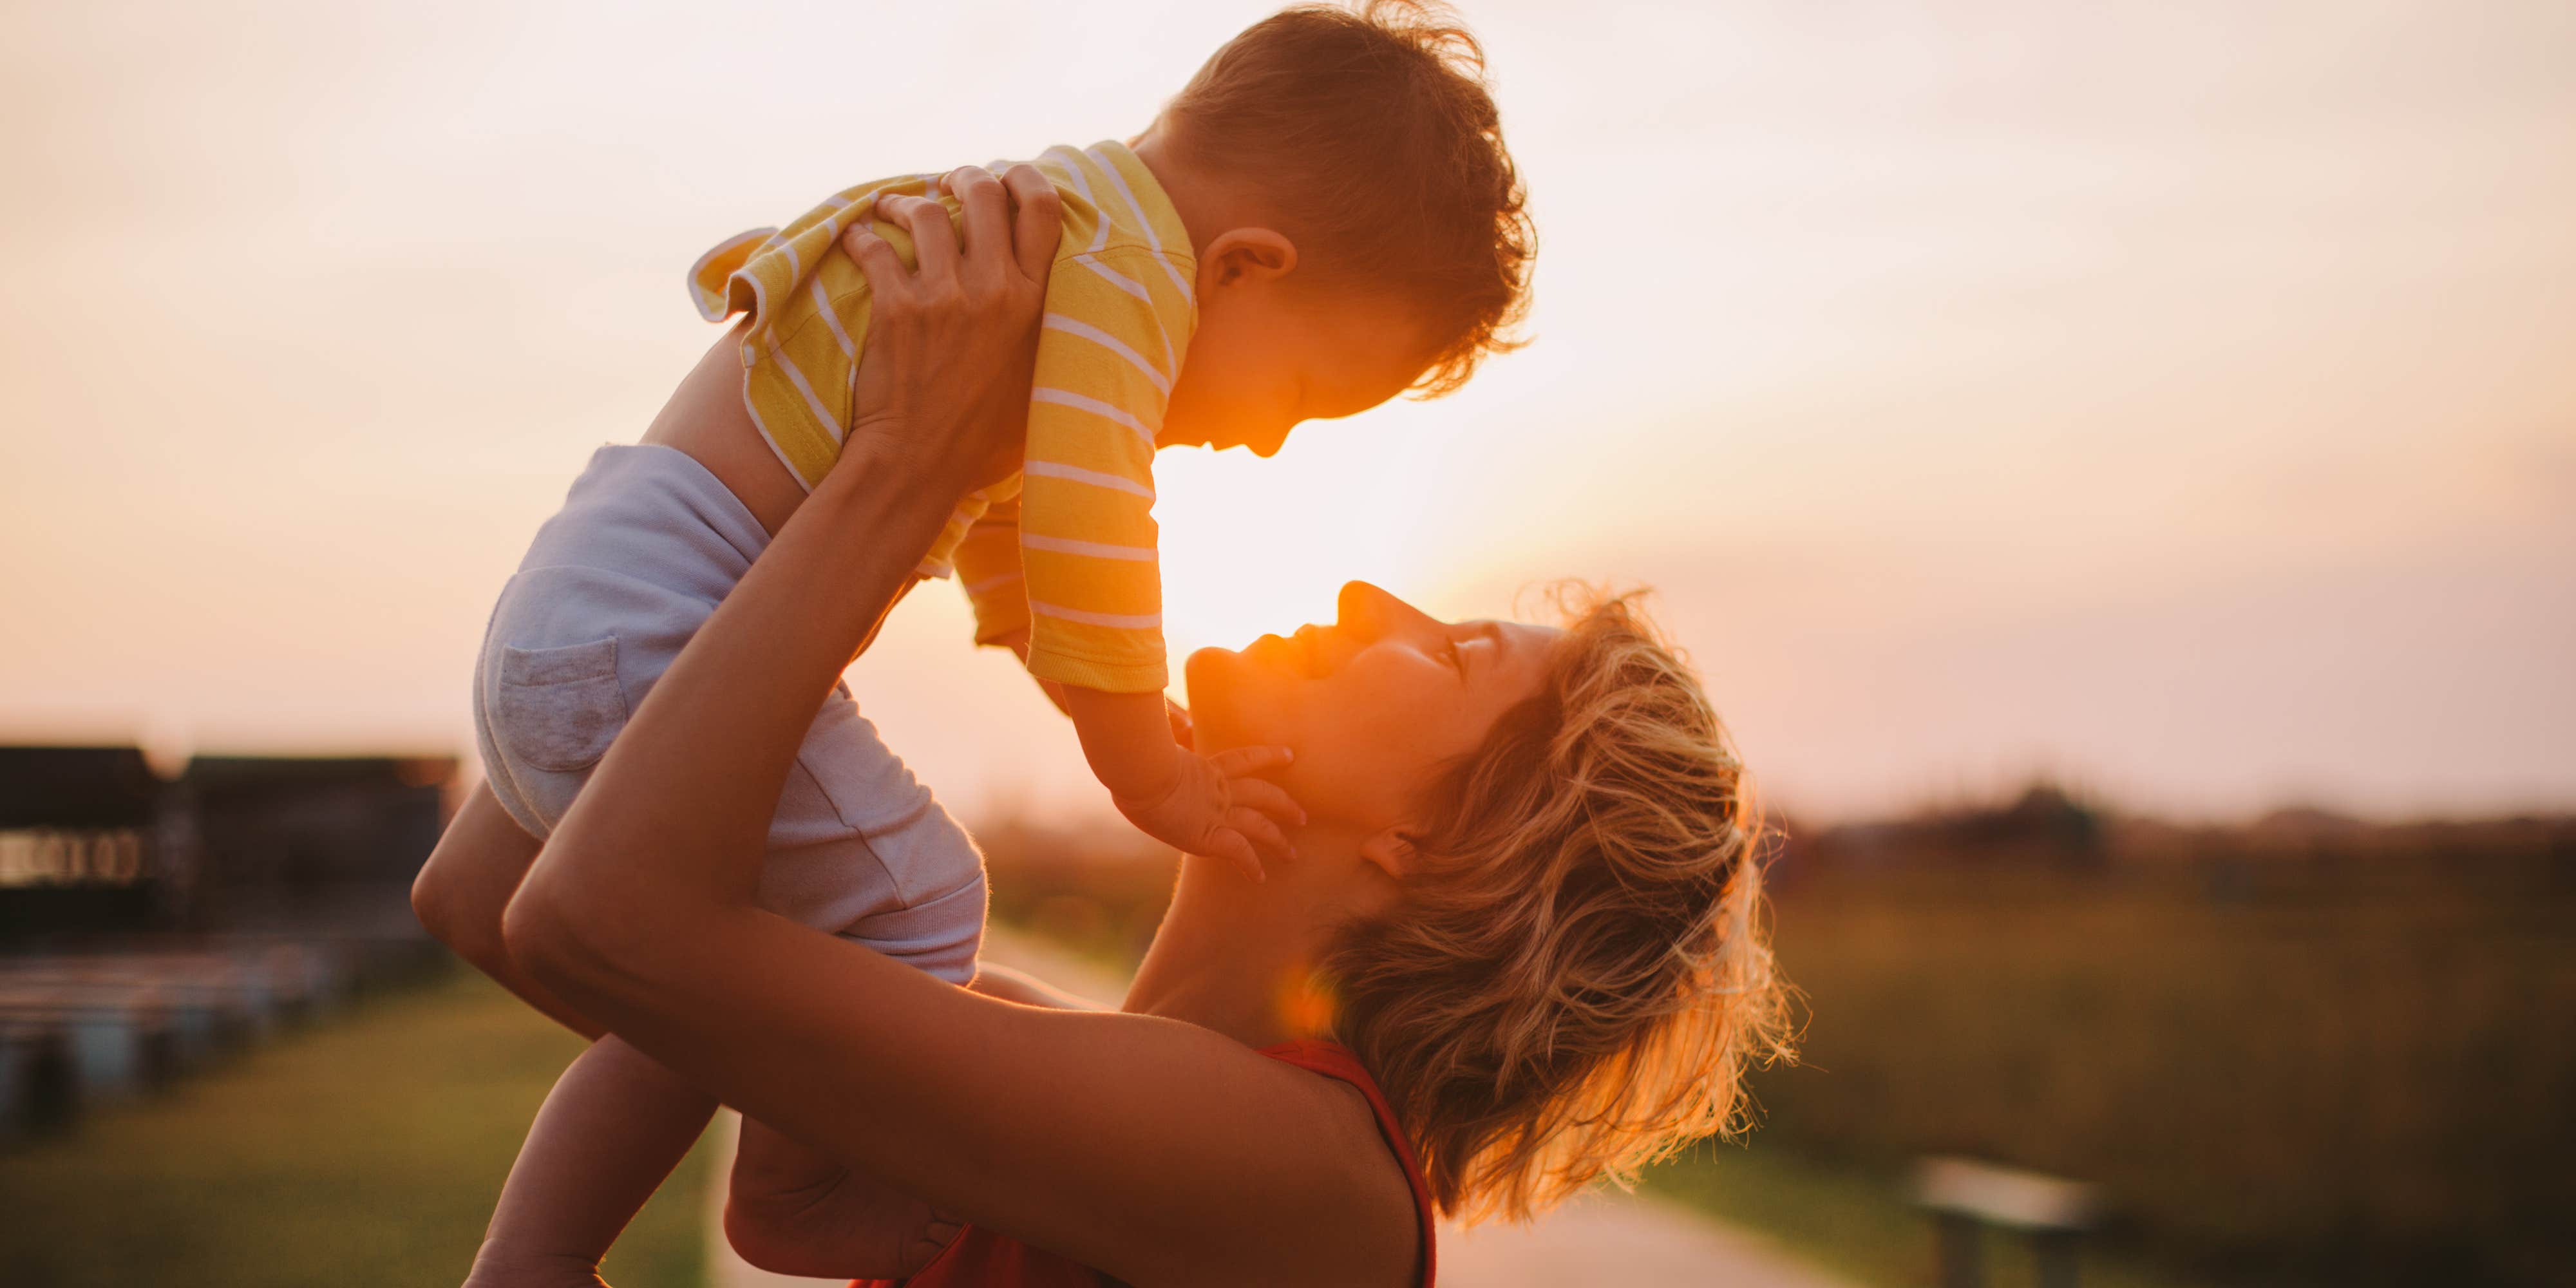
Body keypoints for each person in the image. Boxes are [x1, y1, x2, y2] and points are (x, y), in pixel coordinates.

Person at [442, 135, 1790, 1287]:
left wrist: (909, 466)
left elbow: (598, 921)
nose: (1379, 597)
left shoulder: (1309, 1177)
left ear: (1439, 841)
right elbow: (495, 892)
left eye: (1444, 655)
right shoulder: (1020, 1043)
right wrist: (742, 488)